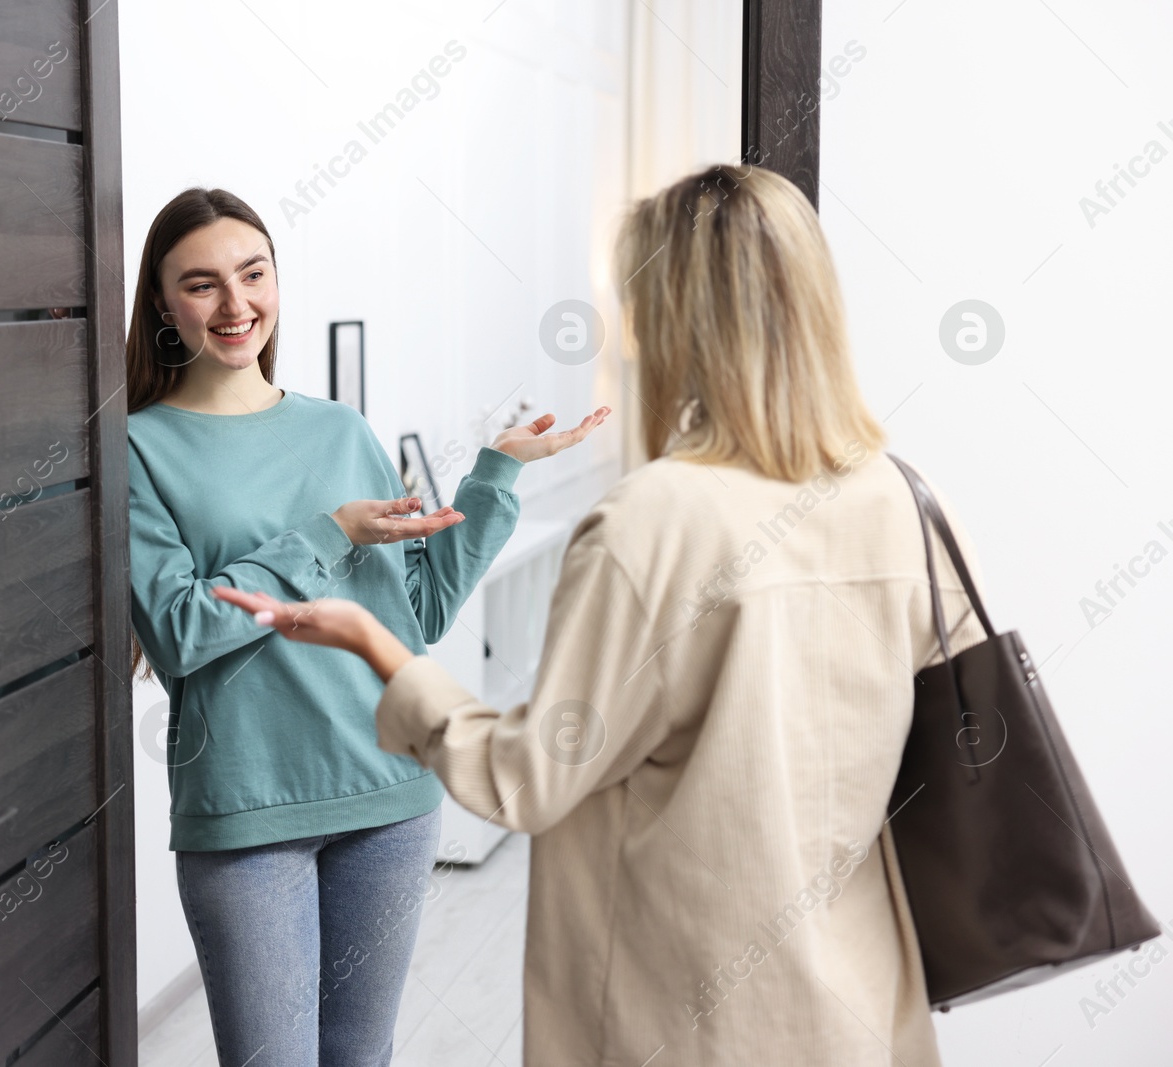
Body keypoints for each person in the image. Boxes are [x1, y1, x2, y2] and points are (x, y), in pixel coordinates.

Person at [216, 164, 986, 1067]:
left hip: (690, 1018)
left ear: (674, 322)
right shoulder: (904, 499)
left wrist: (374, 644)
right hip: (863, 1009)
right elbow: (957, 746)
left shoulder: (652, 520)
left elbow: (526, 777)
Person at [124, 186, 609, 1067]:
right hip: (247, 811)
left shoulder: (338, 429)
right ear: (162, 302)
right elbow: (179, 630)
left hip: (388, 797)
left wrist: (495, 474)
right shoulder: (138, 448)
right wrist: (330, 533)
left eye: (253, 274)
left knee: (361, 1057)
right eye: (201, 285)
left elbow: (412, 613)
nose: (236, 306)